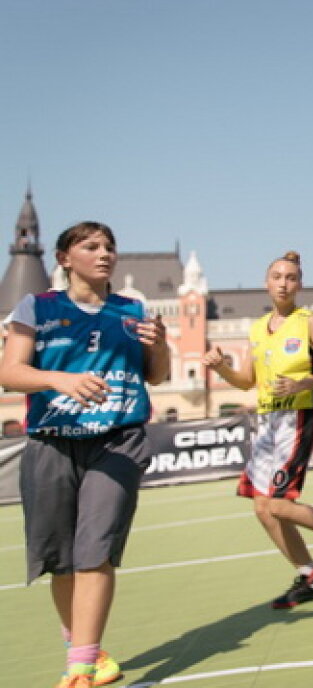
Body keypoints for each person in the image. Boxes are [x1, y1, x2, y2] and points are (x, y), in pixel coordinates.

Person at [0, 221, 170, 688]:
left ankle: (80, 666)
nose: (104, 254)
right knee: (62, 559)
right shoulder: (36, 306)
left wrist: (163, 347)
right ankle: (83, 642)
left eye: (110, 247)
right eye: (91, 247)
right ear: (63, 259)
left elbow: (156, 376)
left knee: (94, 549)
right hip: (53, 441)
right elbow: (9, 373)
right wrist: (60, 380)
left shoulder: (132, 309)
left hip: (118, 440)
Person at [203, 251, 313, 610]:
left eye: (291, 277)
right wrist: (221, 367)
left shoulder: (309, 322)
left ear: (299, 285)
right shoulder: (257, 328)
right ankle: (311, 575)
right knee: (262, 508)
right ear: (266, 283)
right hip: (269, 423)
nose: (284, 283)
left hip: (299, 418)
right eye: (277, 276)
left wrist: (303, 384)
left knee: (280, 504)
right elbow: (245, 381)